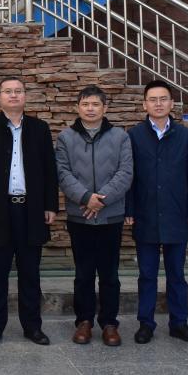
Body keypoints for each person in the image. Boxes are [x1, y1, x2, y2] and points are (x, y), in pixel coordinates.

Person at [0, 76, 57, 347]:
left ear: (25, 96)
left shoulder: (40, 129)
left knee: (30, 274)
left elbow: (49, 170)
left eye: (18, 91)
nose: (13, 95)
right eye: (8, 91)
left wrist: (50, 205)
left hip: (31, 211)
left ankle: (33, 327)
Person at [126, 79, 188, 345]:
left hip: (176, 213)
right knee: (147, 274)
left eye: (163, 99)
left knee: (176, 274)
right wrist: (129, 208)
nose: (158, 104)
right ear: (144, 104)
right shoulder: (134, 136)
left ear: (171, 103)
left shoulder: (185, 136)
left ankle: (179, 323)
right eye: (153, 100)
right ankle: (145, 324)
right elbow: (128, 176)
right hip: (145, 214)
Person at [55, 85, 133, 347]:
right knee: (83, 274)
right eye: (85, 104)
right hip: (80, 217)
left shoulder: (120, 137)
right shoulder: (66, 138)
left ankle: (109, 323)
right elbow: (63, 173)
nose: (90, 109)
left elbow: (125, 173)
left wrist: (101, 200)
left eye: (95, 104)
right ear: (77, 107)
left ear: (105, 108)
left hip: (111, 216)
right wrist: (86, 197)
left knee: (110, 274)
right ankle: (84, 321)